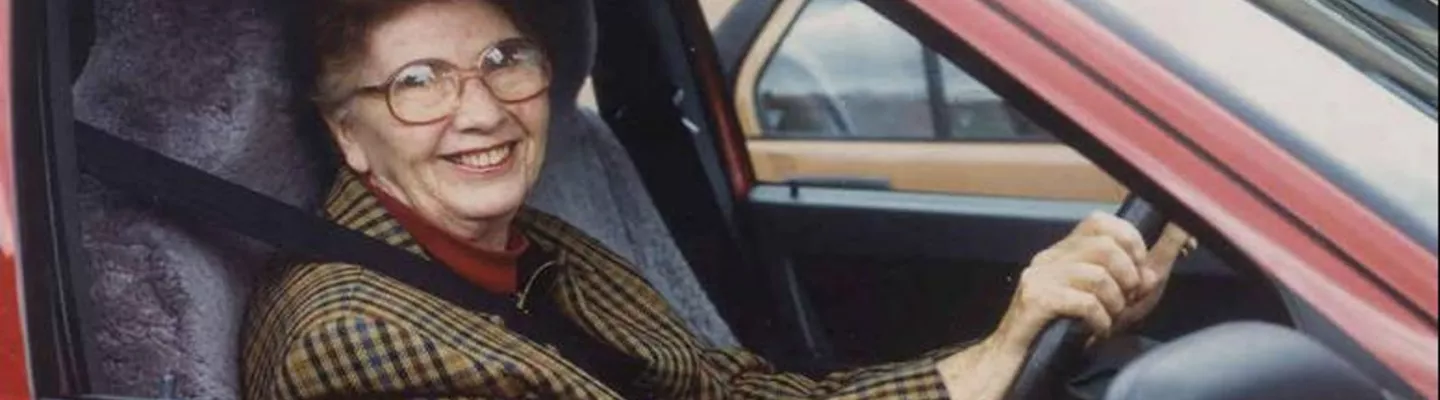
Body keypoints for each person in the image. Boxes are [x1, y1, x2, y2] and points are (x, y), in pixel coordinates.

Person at [241, 0, 1193, 398]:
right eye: (418, 81)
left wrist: (997, 357)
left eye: (504, 60)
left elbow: (734, 391)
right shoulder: (355, 333)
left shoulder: (537, 253)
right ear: (348, 134)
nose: (481, 109)